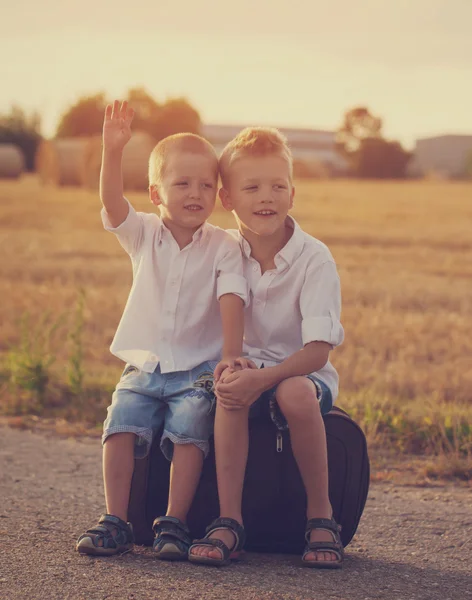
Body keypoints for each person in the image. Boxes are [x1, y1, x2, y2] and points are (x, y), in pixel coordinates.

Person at [76, 101, 248, 560]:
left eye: (207, 185)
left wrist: (231, 353)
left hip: (197, 369)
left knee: (191, 426)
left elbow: (233, 296)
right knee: (121, 420)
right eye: (183, 183)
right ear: (156, 193)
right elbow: (112, 204)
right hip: (144, 363)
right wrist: (112, 152)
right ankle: (115, 520)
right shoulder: (144, 234)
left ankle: (174, 522)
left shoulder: (224, 246)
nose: (196, 193)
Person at [188, 127, 345, 568]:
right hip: (247, 370)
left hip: (302, 376)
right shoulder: (222, 251)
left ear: (293, 194)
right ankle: (229, 521)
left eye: (278, 186)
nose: (267, 197)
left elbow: (318, 352)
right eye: (252, 187)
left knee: (291, 391)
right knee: (230, 383)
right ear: (228, 199)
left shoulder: (315, 259)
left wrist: (265, 377)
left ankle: (321, 517)